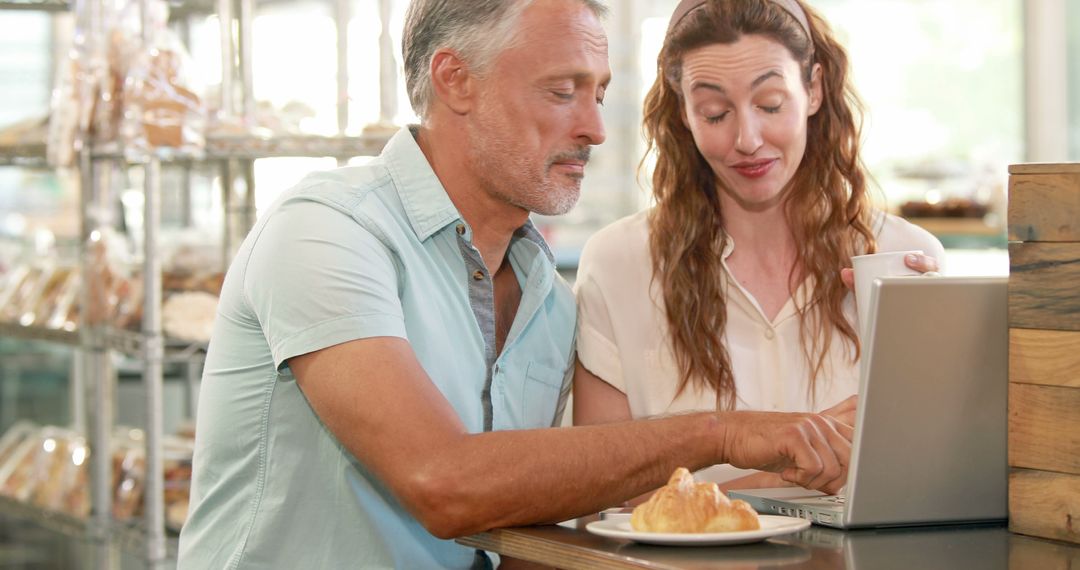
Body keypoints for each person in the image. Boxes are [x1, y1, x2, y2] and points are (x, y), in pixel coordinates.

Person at [178, 1, 855, 568]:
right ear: (456, 81)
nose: (592, 128)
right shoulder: (326, 234)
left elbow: (537, 522)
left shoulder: (548, 300)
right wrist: (720, 433)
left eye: (598, 94)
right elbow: (442, 482)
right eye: (562, 92)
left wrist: (825, 469)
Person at [573, 0, 945, 492]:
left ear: (813, 88)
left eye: (770, 105)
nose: (746, 139)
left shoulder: (902, 257)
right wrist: (784, 477)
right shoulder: (619, 264)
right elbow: (600, 495)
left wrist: (946, 351)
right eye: (714, 113)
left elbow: (936, 482)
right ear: (682, 110)